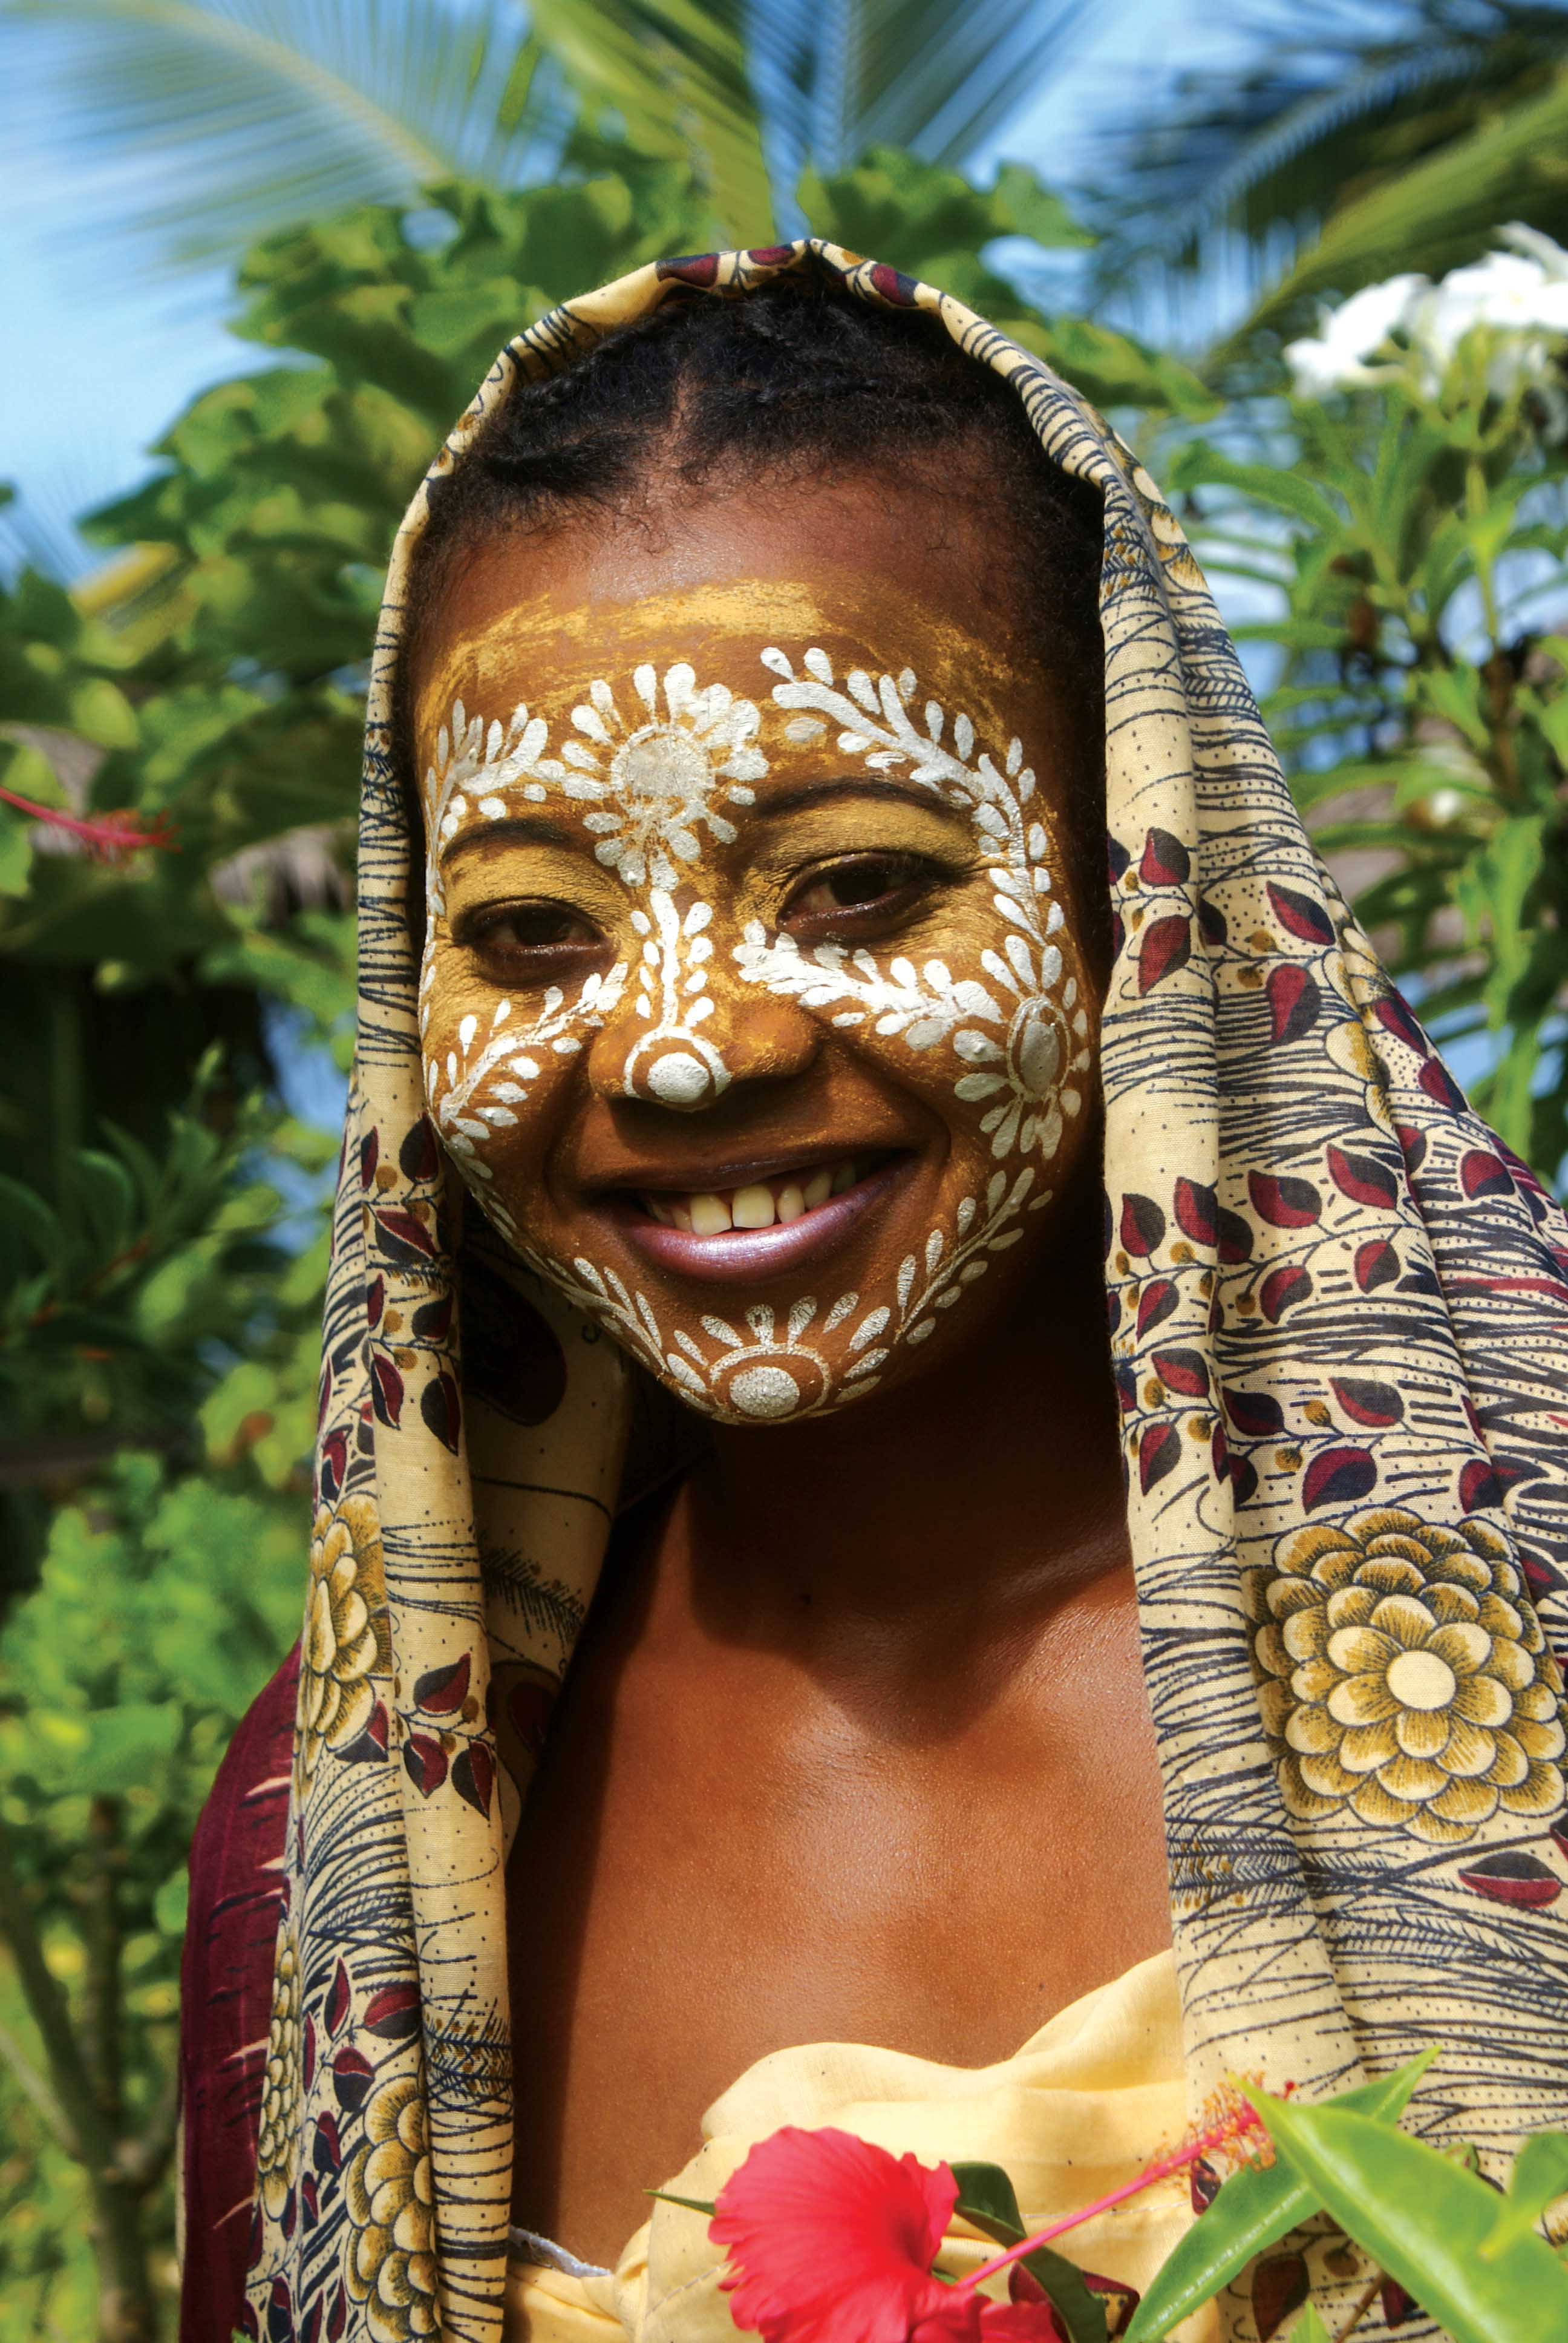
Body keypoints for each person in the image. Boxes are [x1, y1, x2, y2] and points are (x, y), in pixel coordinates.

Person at [178, 243, 1568, 2343]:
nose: (677, 1048)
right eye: (536, 930)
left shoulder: (1530, 1642)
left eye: (856, 885)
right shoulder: (352, 1848)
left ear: (1139, 881)